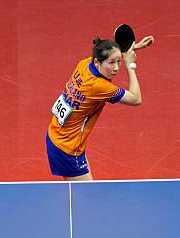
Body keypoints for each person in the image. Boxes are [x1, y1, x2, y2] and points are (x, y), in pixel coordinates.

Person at [46, 35, 152, 181]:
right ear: (97, 62)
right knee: (87, 197)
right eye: (111, 63)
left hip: (55, 135)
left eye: (118, 62)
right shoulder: (99, 87)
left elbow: (105, 54)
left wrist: (130, 48)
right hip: (68, 148)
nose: (115, 68)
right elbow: (136, 99)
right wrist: (129, 66)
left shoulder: (83, 64)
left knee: (80, 195)